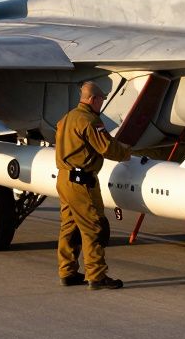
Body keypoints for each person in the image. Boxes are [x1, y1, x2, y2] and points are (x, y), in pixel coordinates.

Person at [55, 81, 132, 290]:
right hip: (81, 183)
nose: (102, 104)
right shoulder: (89, 121)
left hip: (63, 179)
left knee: (69, 226)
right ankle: (96, 276)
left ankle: (67, 272)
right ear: (92, 99)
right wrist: (126, 152)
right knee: (93, 227)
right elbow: (106, 148)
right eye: (101, 100)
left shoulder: (67, 117)